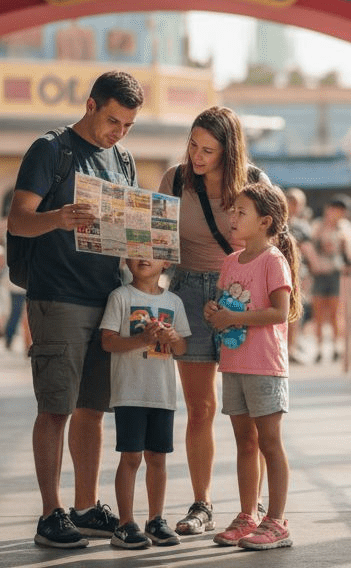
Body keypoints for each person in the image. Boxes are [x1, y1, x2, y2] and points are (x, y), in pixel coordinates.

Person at [7, 70, 143, 549]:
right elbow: (18, 220)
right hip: (57, 296)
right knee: (56, 408)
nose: (118, 133)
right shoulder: (51, 150)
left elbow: (130, 230)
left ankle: (86, 508)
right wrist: (58, 218)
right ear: (90, 105)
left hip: (108, 297)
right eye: (112, 121)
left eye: (127, 125)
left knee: (93, 409)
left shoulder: (123, 160)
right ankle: (51, 514)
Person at [157, 105, 269, 536]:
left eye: (207, 150)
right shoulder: (176, 178)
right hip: (187, 293)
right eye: (192, 145)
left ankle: (251, 506)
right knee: (200, 407)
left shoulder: (255, 183)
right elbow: (157, 239)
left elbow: (272, 243)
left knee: (249, 409)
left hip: (239, 295)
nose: (197, 156)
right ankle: (202, 504)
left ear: (229, 151)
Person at [203, 181, 299, 551]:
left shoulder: (273, 260)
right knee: (245, 441)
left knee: (270, 443)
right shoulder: (230, 261)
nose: (233, 217)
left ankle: (277, 521)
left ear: (265, 221)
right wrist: (213, 312)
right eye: (233, 211)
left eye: (241, 212)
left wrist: (231, 318)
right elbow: (226, 304)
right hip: (234, 363)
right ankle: (248, 515)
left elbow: (279, 312)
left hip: (265, 366)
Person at [99, 256, 189, 550]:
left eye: (151, 251)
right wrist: (141, 340)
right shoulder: (120, 296)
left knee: (158, 459)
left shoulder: (174, 301)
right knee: (131, 458)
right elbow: (108, 341)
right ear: (125, 260)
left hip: (162, 395)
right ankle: (125, 524)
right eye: (135, 251)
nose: (142, 257)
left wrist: (173, 336)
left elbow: (182, 347)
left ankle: (156, 519)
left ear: (166, 262)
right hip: (130, 392)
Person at [307, 194, 351, 363]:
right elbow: (311, 247)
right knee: (318, 312)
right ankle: (319, 348)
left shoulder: (345, 228)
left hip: (335, 272)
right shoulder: (318, 226)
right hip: (319, 273)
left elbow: (350, 253)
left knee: (336, 311)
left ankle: (336, 347)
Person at [283, 187, 313, 364]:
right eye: (292, 201)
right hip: (276, 272)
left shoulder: (302, 227)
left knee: (294, 313)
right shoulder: (276, 222)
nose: (294, 206)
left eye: (298, 203)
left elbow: (309, 253)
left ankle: (291, 349)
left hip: (297, 275)